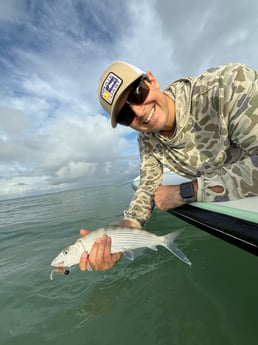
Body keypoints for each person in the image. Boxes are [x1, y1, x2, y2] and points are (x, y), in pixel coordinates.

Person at [79, 61, 258, 271]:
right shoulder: (147, 140)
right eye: (126, 116)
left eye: (137, 93)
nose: (138, 111)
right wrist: (127, 228)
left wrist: (188, 192)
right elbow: (148, 186)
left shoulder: (227, 85)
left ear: (152, 81)